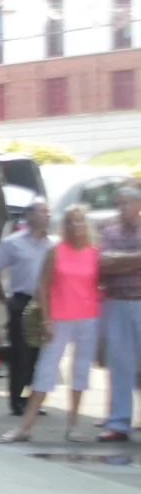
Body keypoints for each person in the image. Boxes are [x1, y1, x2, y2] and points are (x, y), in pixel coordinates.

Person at [0, 205, 98, 444]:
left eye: (79, 221)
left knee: (80, 370)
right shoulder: (56, 251)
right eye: (70, 221)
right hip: (59, 317)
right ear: (65, 226)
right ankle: (25, 426)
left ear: (86, 224)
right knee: (46, 369)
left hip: (88, 316)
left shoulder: (93, 253)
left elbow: (98, 284)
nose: (75, 225)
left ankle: (73, 425)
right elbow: (43, 285)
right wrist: (45, 318)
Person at [0, 198, 55, 416]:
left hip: (46, 304)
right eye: (43, 211)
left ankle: (33, 399)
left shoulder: (53, 244)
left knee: (40, 354)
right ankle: (16, 399)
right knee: (20, 353)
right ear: (30, 215)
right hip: (21, 301)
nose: (48, 215)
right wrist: (2, 297)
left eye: (48, 212)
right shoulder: (13, 242)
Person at [98, 186, 141, 443]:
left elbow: (113, 261)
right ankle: (118, 423)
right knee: (120, 363)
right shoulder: (109, 232)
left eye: (127, 203)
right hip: (116, 302)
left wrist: (119, 259)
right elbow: (102, 264)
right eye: (119, 204)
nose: (122, 208)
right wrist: (135, 260)